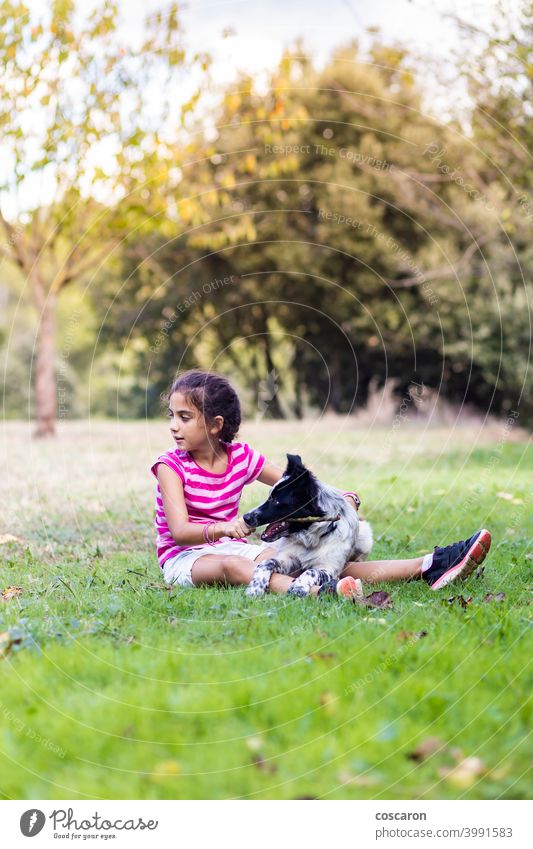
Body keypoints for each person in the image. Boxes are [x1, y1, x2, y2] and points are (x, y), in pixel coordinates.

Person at [150, 369, 491, 599]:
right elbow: (179, 531)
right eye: (172, 416)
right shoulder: (170, 467)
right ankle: (316, 591)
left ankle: (430, 564)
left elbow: (296, 484)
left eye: (184, 417)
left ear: (215, 424)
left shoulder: (239, 457)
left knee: (306, 557)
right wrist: (225, 529)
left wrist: (336, 498)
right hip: (186, 557)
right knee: (235, 567)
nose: (173, 426)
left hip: (231, 544)